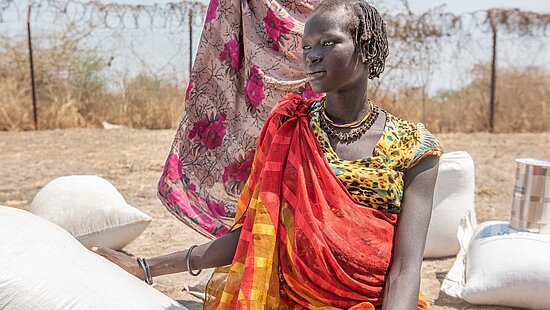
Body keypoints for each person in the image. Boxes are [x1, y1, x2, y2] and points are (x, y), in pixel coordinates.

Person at [93, 0, 442, 308]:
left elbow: (406, 267)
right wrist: (145, 267)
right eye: (306, 46)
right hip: (293, 302)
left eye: (328, 42)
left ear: (366, 49)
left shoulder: (414, 147)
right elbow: (252, 235)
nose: (312, 55)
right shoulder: (290, 127)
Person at [157, 0, 323, 239]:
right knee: (269, 164)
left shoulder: (332, 31)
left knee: (313, 156)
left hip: (323, 29)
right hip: (261, 38)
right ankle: (258, 246)